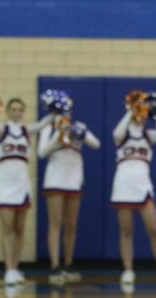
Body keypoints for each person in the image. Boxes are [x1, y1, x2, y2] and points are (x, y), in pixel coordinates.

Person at [0, 98, 52, 285]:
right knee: (7, 228)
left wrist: (55, 111)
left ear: (23, 112)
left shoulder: (27, 130)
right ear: (8, 111)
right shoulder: (2, 130)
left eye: (20, 109)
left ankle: (15, 266)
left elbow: (44, 123)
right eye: (13, 109)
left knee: (20, 229)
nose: (16, 112)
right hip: (4, 184)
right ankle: (9, 269)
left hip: (22, 184)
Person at [110, 92, 156, 288]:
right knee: (126, 230)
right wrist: (131, 109)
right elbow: (116, 133)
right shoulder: (123, 134)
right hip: (123, 184)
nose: (141, 112)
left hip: (144, 185)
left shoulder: (149, 134)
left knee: (154, 229)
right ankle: (128, 270)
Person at [38, 91, 101, 284]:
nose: (66, 113)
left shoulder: (78, 126)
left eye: (68, 110)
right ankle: (55, 266)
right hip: (55, 180)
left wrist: (80, 134)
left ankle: (69, 263)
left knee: (71, 224)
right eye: (62, 110)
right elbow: (42, 152)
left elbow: (96, 144)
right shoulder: (48, 128)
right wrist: (58, 138)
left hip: (74, 180)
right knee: (56, 223)